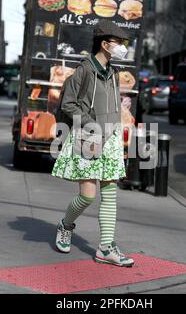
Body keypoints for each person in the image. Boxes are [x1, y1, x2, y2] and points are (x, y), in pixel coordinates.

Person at [51, 20, 134, 267]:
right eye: (118, 42)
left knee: (110, 194)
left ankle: (106, 248)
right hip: (88, 136)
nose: (121, 47)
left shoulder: (115, 73)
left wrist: (117, 131)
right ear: (105, 43)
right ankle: (66, 225)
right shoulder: (84, 70)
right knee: (87, 196)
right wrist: (91, 124)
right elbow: (68, 104)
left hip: (110, 138)